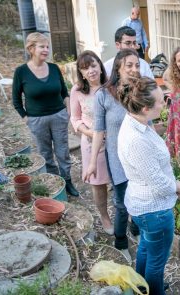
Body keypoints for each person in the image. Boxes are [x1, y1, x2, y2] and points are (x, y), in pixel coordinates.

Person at [116, 76, 180, 295]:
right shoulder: (136, 140)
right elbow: (159, 183)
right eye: (160, 101)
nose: (164, 102)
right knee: (156, 263)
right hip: (154, 210)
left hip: (144, 206)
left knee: (146, 249)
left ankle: (141, 287)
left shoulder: (136, 122)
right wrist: (179, 186)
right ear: (146, 108)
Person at [84, 49, 141, 262]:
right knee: (122, 203)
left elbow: (150, 122)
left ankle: (135, 230)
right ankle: (120, 241)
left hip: (138, 155)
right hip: (117, 157)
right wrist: (91, 164)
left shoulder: (140, 89)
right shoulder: (104, 95)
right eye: (129, 65)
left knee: (139, 195)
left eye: (136, 65)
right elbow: (99, 131)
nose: (134, 69)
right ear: (118, 67)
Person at [12, 32, 79, 197]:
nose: (46, 50)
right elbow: (16, 100)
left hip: (59, 116)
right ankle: (57, 184)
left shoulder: (55, 68)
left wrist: (68, 111)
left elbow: (65, 92)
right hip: (37, 120)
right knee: (45, 154)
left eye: (47, 46)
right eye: (42, 46)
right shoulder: (21, 72)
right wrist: (27, 118)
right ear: (31, 48)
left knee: (63, 152)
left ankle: (67, 180)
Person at [70, 50, 113, 234]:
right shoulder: (78, 90)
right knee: (98, 183)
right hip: (91, 142)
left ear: (100, 67)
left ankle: (126, 214)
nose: (91, 71)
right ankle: (104, 217)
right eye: (85, 68)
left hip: (114, 141)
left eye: (94, 65)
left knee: (120, 180)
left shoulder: (111, 85)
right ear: (81, 73)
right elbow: (75, 118)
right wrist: (90, 132)